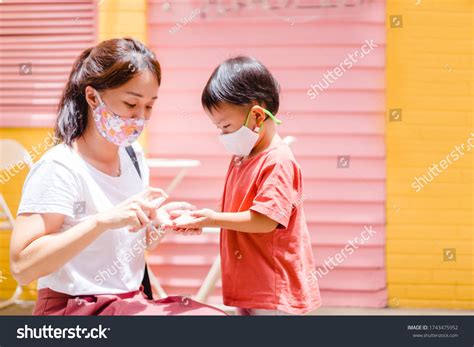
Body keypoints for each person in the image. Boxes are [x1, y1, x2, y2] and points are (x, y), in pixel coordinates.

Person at [9, 38, 226, 316]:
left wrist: (158, 222)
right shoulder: (60, 167)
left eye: (149, 106)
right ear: (92, 97)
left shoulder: (133, 157)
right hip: (75, 309)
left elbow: (129, 247)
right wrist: (101, 222)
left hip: (128, 302)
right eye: (130, 103)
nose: (140, 117)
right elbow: (22, 267)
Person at [172, 56, 322, 315]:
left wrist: (212, 219)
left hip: (272, 290)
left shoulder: (277, 161)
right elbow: (236, 213)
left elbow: (265, 220)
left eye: (227, 126)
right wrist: (202, 220)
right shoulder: (243, 157)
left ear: (256, 116)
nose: (223, 135)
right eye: (218, 128)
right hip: (251, 285)